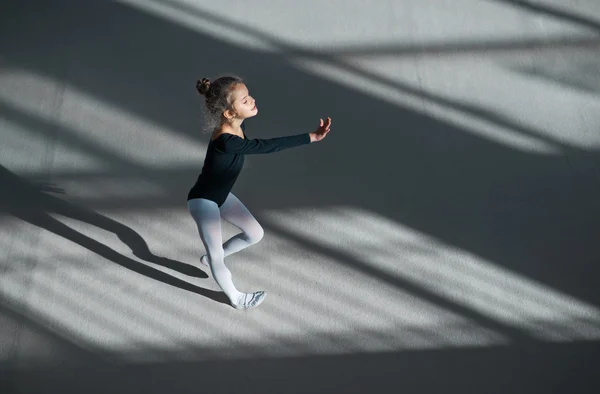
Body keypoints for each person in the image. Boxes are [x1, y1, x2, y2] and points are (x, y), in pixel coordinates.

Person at [187, 76, 332, 310]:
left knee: (255, 233)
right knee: (215, 255)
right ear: (228, 113)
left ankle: (214, 259)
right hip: (203, 202)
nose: (252, 100)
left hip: (221, 196)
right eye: (244, 100)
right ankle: (237, 298)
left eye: (249, 95)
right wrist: (311, 137)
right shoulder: (226, 140)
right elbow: (266, 146)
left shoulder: (237, 125)